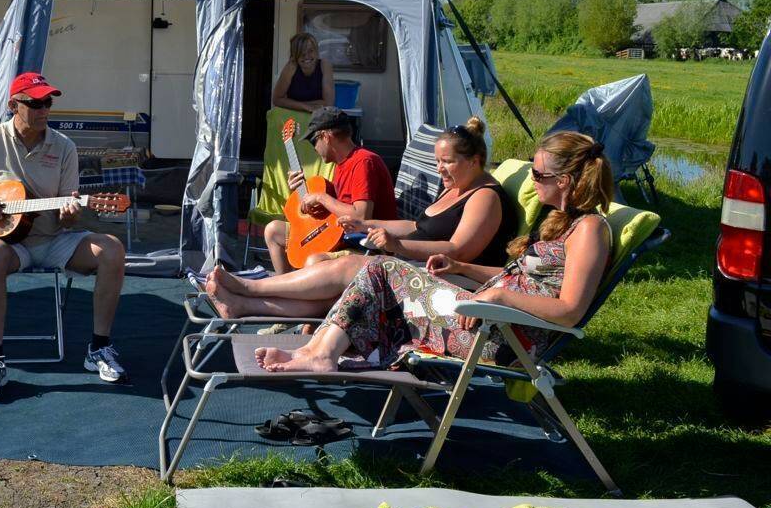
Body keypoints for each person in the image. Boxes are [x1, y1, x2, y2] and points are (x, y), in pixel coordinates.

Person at [254, 130, 612, 372]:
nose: (532, 181)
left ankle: (315, 349)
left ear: (563, 181)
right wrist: (464, 268)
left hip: (508, 338)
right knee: (379, 271)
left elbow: (568, 310)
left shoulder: (590, 230)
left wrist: (499, 297)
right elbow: (515, 277)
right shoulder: (560, 222)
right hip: (487, 319)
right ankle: (316, 350)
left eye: (537, 174)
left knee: (381, 269)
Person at [0, 72, 128, 399]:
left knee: (112, 249)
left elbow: (68, 213)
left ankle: (99, 349)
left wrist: (72, 212)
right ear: (14, 106)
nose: (44, 110)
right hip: (11, 244)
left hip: (53, 240)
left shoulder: (64, 147)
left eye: (48, 102)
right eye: (35, 103)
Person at [209, 117, 516, 322]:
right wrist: (367, 225)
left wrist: (398, 246)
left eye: (446, 162)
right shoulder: (458, 188)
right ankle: (243, 306)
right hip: (410, 263)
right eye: (437, 161)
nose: (439, 169)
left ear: (475, 161)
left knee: (345, 267)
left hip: (442, 278)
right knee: (329, 292)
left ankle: (250, 289)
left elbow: (458, 251)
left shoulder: (484, 197)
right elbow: (417, 227)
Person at [263, 105, 397, 275]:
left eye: (313, 141)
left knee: (314, 261)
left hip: (368, 245)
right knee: (273, 230)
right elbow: (336, 207)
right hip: (342, 235)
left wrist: (321, 198)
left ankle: (297, 294)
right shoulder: (342, 164)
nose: (314, 148)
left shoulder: (363, 162)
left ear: (326, 136)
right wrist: (303, 196)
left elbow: (361, 217)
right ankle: (285, 289)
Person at [273, 32, 336, 112]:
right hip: (294, 119)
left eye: (310, 51)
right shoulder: (291, 67)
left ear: (316, 51)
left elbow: (329, 103)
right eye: (301, 52)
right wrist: (305, 107)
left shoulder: (325, 65)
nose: (306, 56)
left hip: (318, 118)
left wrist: (291, 104)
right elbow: (276, 99)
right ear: (295, 55)